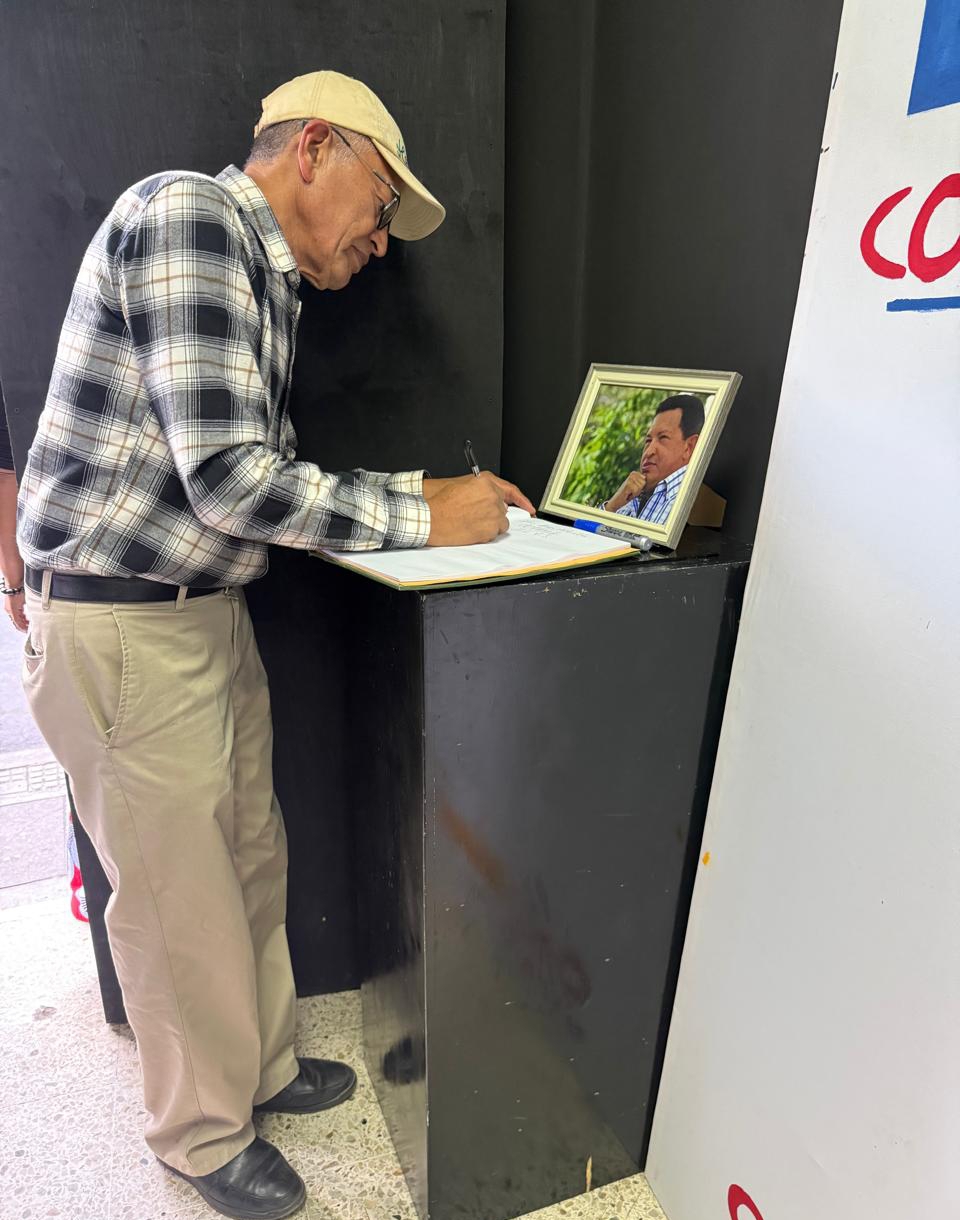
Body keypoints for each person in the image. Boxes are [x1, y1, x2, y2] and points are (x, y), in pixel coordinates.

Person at [16, 69, 534, 1220]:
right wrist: (424, 509)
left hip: (196, 609)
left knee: (247, 852)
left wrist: (421, 495)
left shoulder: (263, 277)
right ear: (313, 148)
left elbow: (250, 473)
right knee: (176, 896)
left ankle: (256, 1069)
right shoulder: (192, 218)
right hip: (125, 621)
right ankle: (201, 1133)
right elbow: (234, 480)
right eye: (381, 205)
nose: (380, 242)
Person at [601, 393, 704, 524]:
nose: (649, 451)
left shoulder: (691, 504)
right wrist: (611, 507)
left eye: (663, 438)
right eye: (648, 440)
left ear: (689, 447)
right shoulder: (630, 496)